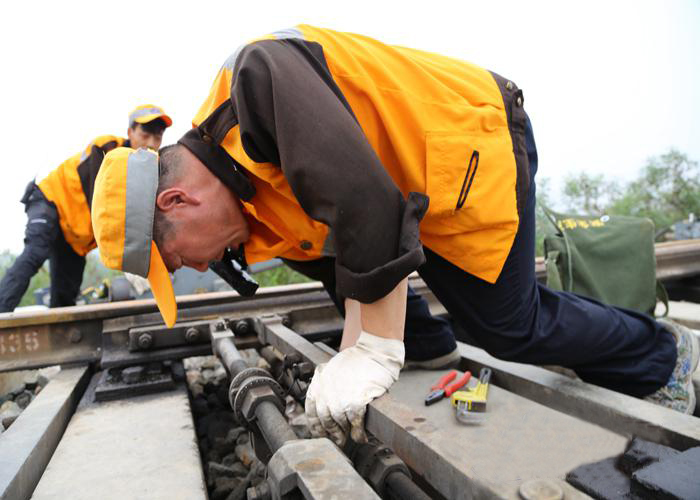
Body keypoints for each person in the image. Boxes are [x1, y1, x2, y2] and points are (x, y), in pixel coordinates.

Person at [90, 26, 698, 446]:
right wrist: (357, 355)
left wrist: (374, 351)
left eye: (175, 258)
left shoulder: (257, 81)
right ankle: (430, 347)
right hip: (423, 184)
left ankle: (663, 357)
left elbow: (366, 204)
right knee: (472, 325)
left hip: (474, 139)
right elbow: (341, 258)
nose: (196, 266)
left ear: (177, 201)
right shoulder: (249, 196)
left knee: (511, 327)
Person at [0, 105, 172, 311]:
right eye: (145, 134)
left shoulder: (152, 175)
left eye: (157, 137)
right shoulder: (107, 148)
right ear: (130, 132)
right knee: (35, 252)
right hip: (51, 201)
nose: (151, 143)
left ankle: (61, 330)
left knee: (65, 295)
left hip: (75, 235)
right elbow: (102, 203)